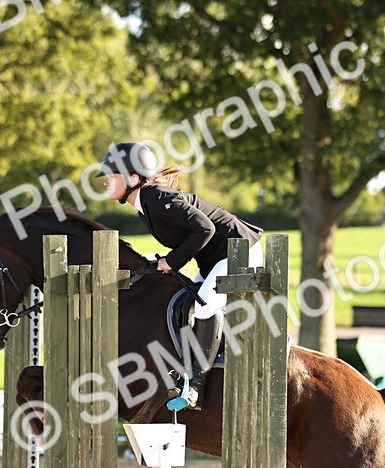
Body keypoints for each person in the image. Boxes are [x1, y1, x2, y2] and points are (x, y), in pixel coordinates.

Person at [99, 141, 263, 411]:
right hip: (216, 259)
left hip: (239, 253)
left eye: (111, 175)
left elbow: (204, 229)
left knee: (204, 305)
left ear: (132, 178)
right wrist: (161, 261)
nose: (105, 181)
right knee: (182, 303)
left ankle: (195, 386)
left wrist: (172, 261)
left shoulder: (156, 198)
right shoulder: (145, 204)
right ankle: (187, 366)